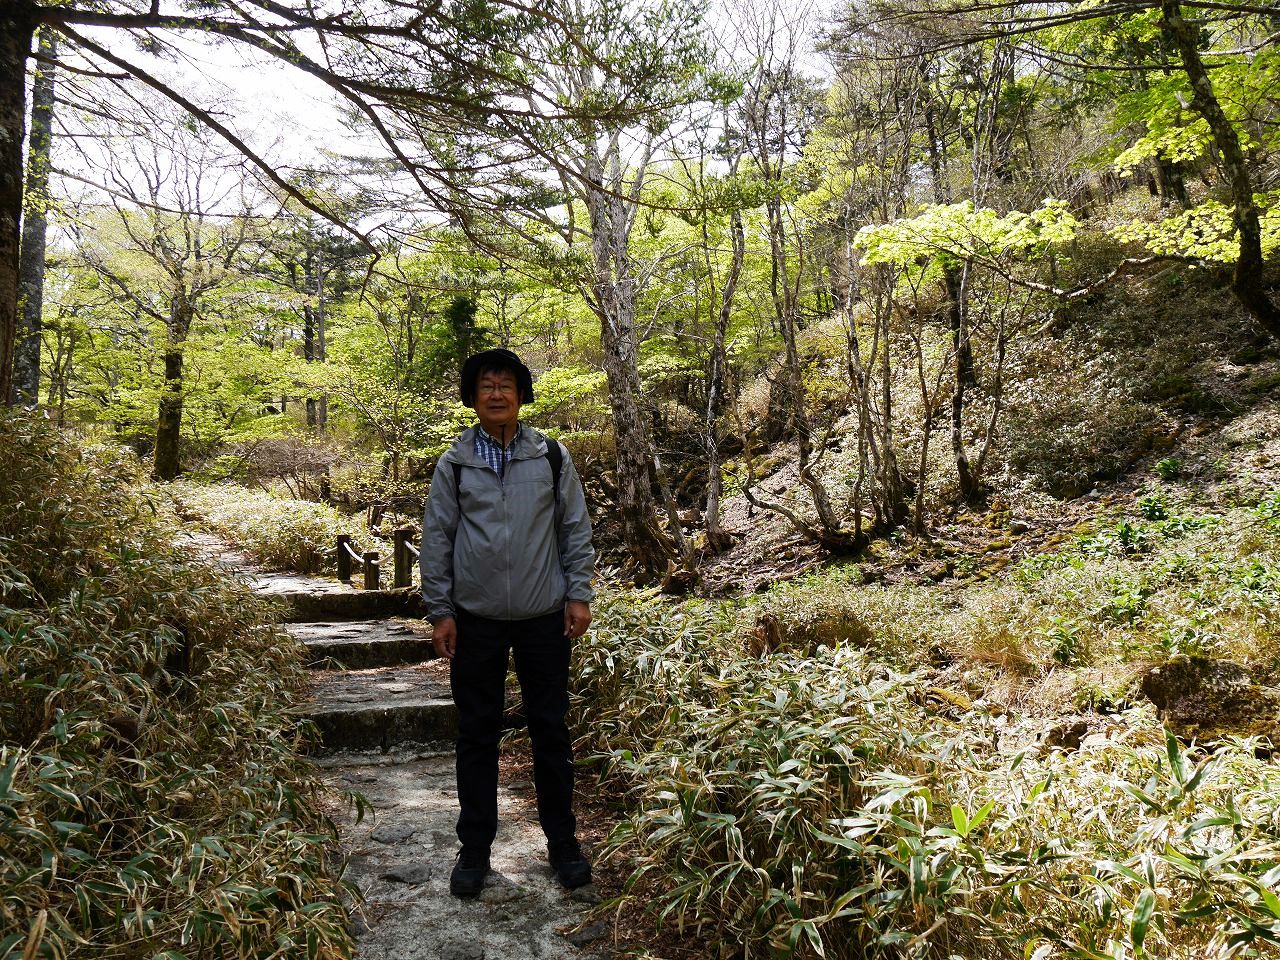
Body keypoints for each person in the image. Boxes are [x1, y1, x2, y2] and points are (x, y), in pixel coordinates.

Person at [420, 348, 596, 898]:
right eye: (486, 385)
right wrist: (441, 610)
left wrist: (578, 593)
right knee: (477, 733)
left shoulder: (550, 456)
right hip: (476, 620)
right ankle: (474, 849)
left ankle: (562, 843)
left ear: (521, 394)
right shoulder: (454, 464)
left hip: (545, 616)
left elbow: (574, 528)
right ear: (472, 397)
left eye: (506, 384)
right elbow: (437, 538)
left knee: (551, 729)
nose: (496, 393)